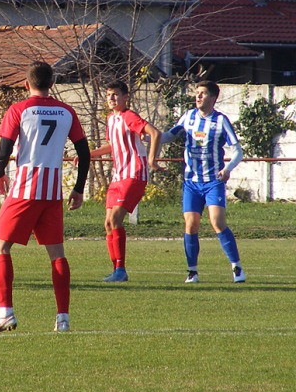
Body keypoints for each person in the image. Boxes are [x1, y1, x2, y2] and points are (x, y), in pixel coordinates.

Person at [0, 61, 90, 334]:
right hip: (52, 192)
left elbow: (5, 145)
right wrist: (78, 188)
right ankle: (63, 319)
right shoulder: (67, 111)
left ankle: (5, 312)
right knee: (57, 254)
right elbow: (84, 151)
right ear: (52, 84)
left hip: (25, 189)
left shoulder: (19, 109)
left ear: (26, 83)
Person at [162, 80, 245, 284]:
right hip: (192, 181)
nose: (198, 96)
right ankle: (192, 271)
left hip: (213, 181)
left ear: (213, 98)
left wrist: (227, 169)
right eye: (197, 93)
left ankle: (236, 267)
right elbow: (168, 137)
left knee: (217, 222)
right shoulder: (188, 117)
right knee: (191, 224)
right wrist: (146, 135)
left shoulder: (220, 121)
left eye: (203, 93)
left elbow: (238, 151)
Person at [88, 81, 163, 282]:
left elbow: (155, 133)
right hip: (118, 176)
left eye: (115, 95)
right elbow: (113, 145)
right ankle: (116, 270)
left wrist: (151, 159)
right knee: (107, 223)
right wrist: (89, 154)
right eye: (108, 95)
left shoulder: (129, 116)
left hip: (133, 174)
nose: (111, 99)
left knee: (115, 220)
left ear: (125, 97)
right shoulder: (111, 119)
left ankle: (121, 270)